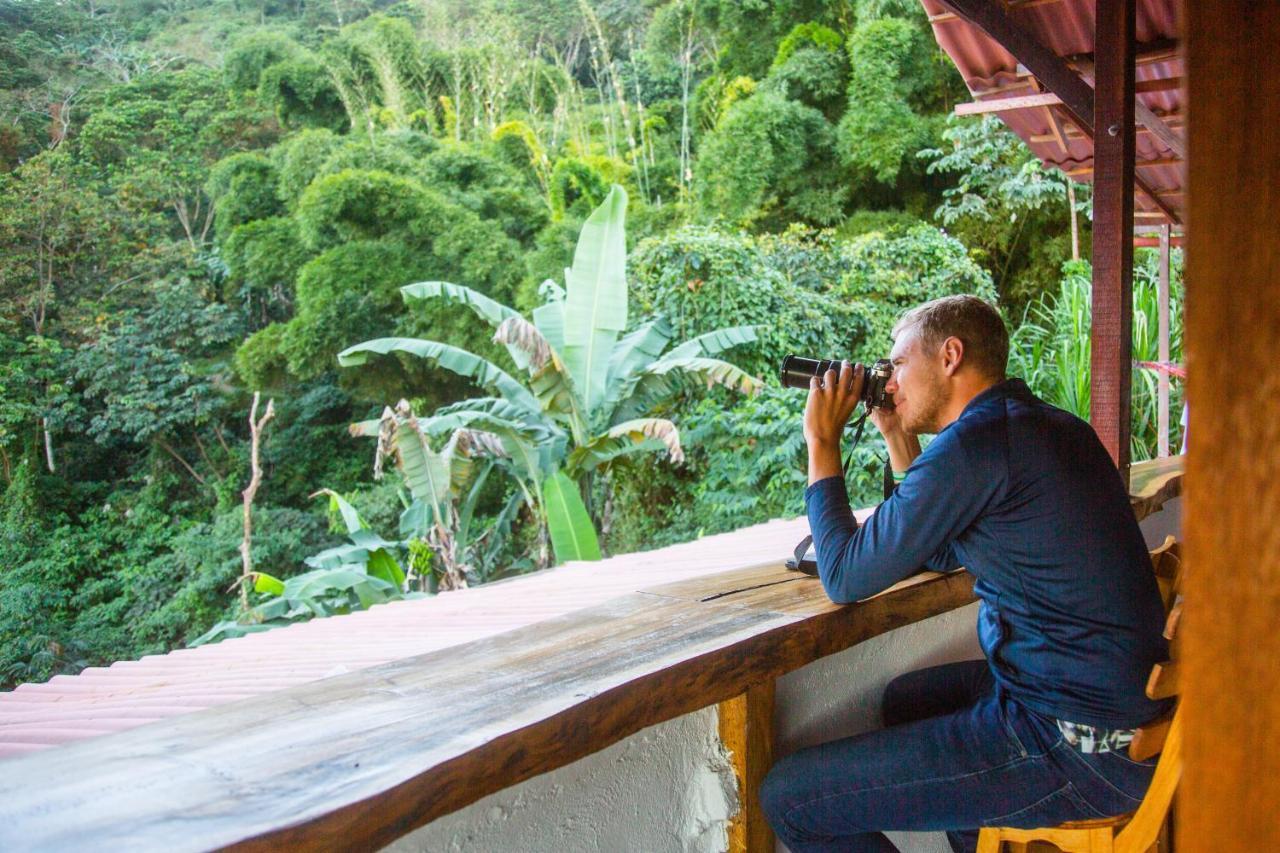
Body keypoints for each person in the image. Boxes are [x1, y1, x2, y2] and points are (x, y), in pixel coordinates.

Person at [759, 295, 1171, 853]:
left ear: (950, 355)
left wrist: (822, 442)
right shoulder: (1042, 425)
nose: (891, 380)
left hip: (1075, 746)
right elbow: (939, 547)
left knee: (789, 797)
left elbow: (844, 575)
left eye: (898, 364)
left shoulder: (975, 446)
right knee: (906, 700)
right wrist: (897, 437)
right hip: (1117, 715)